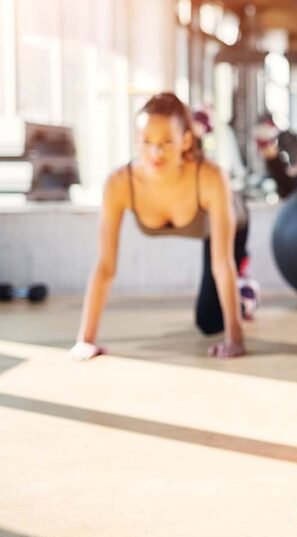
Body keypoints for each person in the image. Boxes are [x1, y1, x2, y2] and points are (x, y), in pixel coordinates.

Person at [70, 93, 248, 360]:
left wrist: (235, 340)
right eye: (146, 141)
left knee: (210, 321)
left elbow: (221, 263)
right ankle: (241, 291)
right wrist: (85, 340)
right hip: (200, 225)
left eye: (166, 141)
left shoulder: (211, 177)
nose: (156, 152)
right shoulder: (120, 184)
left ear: (186, 140)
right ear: (135, 140)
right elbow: (106, 266)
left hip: (228, 224)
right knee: (211, 317)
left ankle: (246, 289)